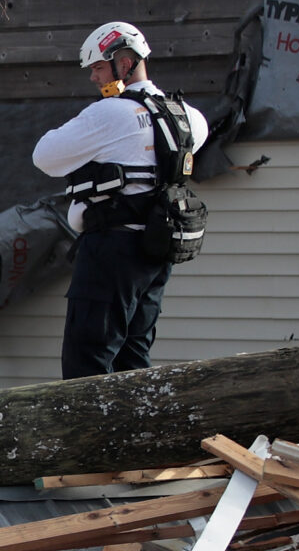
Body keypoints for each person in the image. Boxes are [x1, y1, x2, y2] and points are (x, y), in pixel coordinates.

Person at [33, 21, 209, 379]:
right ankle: (138, 432)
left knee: (88, 362)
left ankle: (91, 434)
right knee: (134, 357)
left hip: (111, 252)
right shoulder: (189, 116)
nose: (93, 78)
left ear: (124, 64)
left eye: (97, 67)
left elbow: (44, 156)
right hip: (156, 254)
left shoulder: (110, 113)